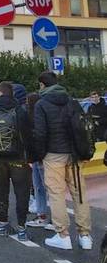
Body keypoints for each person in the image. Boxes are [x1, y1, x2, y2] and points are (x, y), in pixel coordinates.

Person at [34, 71, 93, 250]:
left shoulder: (41, 104)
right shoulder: (72, 101)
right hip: (74, 154)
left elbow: (40, 133)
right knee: (79, 193)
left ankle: (63, 235)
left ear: (43, 85)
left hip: (53, 154)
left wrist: (39, 155)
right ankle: (85, 236)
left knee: (56, 193)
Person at [0, 82, 33, 241]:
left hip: (0, 159)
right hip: (19, 159)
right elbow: (28, 136)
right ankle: (22, 229)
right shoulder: (19, 110)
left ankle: (2, 224)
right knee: (22, 193)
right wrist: (31, 157)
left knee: (1, 192)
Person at [25, 92, 55, 231]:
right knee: (47, 188)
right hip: (43, 157)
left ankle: (43, 216)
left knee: (40, 187)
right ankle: (53, 218)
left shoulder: (30, 118)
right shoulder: (44, 117)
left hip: (37, 157)